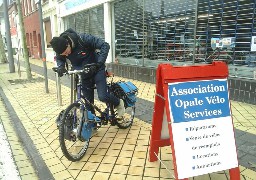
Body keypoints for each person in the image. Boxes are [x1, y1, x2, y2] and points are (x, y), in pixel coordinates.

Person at [50, 28, 125, 117]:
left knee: (103, 96)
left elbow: (105, 45)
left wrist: (98, 63)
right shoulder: (61, 48)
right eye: (64, 55)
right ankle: (92, 124)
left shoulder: (83, 39)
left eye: (66, 52)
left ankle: (119, 103)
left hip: (97, 69)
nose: (67, 55)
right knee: (88, 102)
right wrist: (61, 66)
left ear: (68, 44)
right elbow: (60, 58)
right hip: (83, 73)